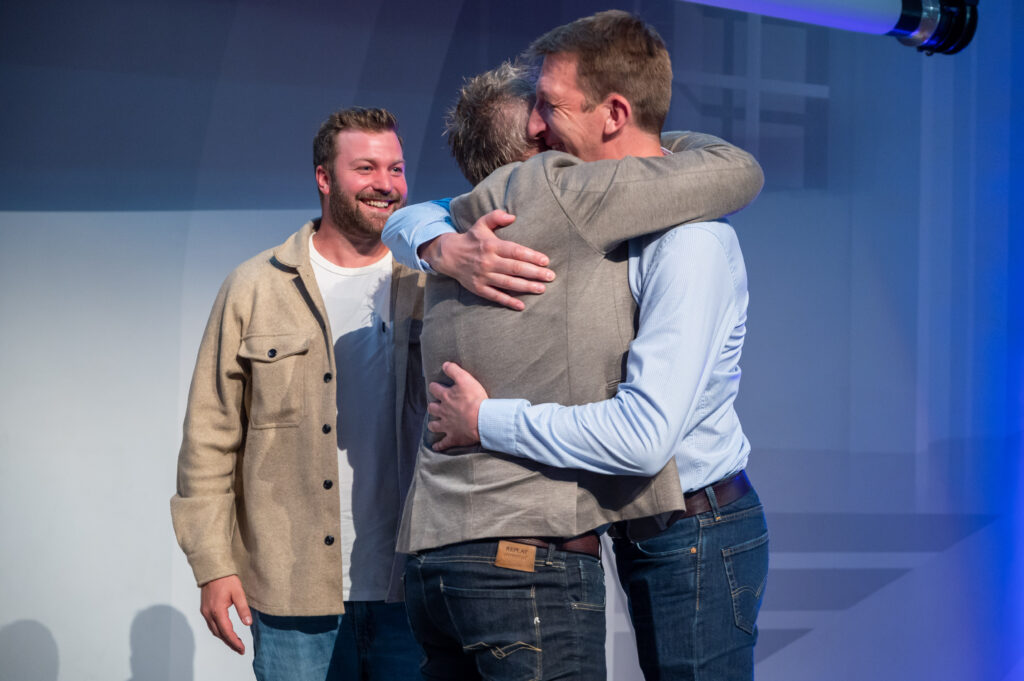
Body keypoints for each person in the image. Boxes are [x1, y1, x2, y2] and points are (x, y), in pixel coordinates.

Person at [383, 13, 764, 681]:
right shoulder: (556, 215)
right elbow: (425, 211)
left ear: (613, 113)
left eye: (550, 107)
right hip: (636, 526)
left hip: (696, 527)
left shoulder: (689, 241)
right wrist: (437, 244)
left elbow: (643, 438)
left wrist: (485, 419)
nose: (538, 127)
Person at [170, 107, 425, 681]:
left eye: (396, 168)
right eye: (366, 168)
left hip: (413, 588)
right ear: (323, 177)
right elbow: (209, 438)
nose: (386, 184)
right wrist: (213, 564)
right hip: (291, 592)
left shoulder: (429, 284)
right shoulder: (254, 287)